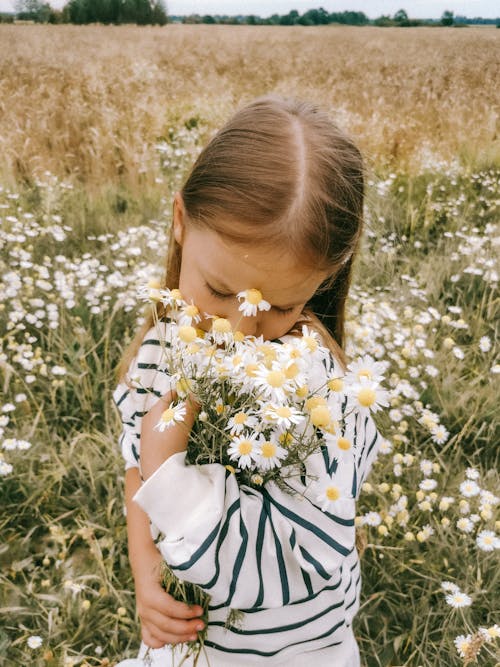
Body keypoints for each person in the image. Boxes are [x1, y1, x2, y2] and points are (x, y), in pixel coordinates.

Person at [112, 94, 383, 666]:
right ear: (181, 223)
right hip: (184, 646)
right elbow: (136, 463)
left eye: (280, 306)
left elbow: (289, 568)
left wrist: (171, 473)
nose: (238, 330)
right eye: (217, 291)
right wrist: (145, 569)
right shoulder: (168, 343)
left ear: (323, 280)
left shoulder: (322, 400)